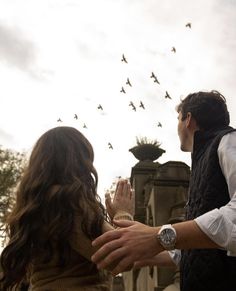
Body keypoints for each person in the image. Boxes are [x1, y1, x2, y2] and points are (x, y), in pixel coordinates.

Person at [91, 90, 236, 291]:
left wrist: (158, 236)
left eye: (178, 118)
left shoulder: (230, 141)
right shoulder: (202, 163)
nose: (177, 126)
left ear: (188, 120)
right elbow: (200, 247)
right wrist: (139, 249)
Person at [0, 126, 134, 291]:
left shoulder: (36, 204)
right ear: (78, 161)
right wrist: (123, 214)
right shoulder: (68, 201)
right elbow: (120, 258)